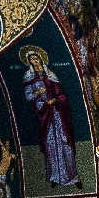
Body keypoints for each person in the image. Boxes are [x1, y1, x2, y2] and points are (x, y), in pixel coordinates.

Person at [21, 46, 78, 188]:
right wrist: (38, 95)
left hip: (58, 114)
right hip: (45, 115)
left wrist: (56, 100)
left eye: (36, 58)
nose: (34, 61)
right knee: (51, 144)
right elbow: (28, 97)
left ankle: (73, 176)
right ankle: (54, 177)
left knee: (65, 142)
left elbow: (62, 94)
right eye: (31, 59)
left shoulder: (51, 75)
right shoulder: (29, 78)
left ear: (40, 58)